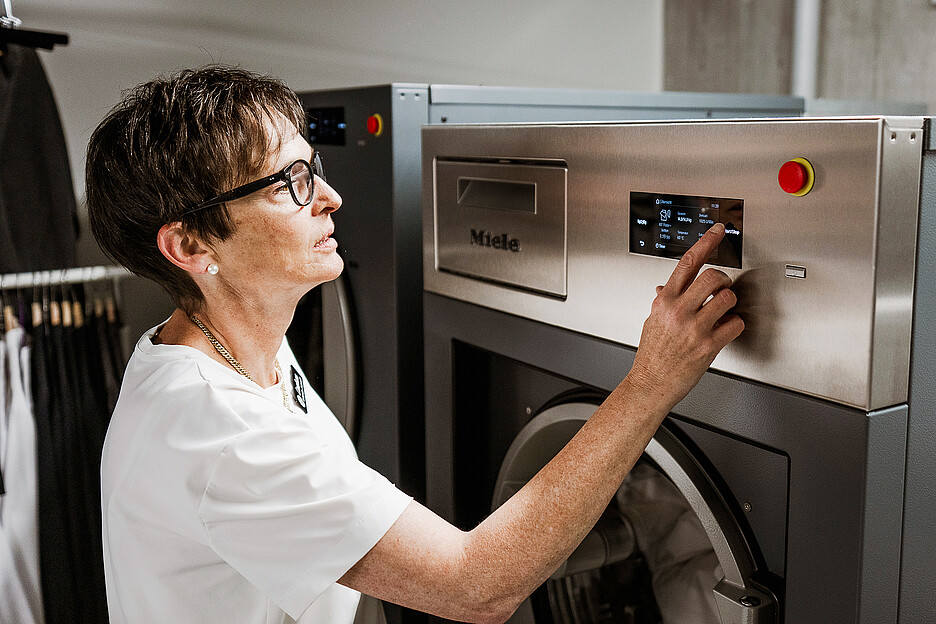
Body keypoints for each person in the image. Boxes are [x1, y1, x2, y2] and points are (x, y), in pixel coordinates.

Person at [85, 65, 744, 624]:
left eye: (314, 168)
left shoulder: (235, 347)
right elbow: (478, 586)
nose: (333, 198)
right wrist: (652, 382)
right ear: (192, 245)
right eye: (290, 184)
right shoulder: (219, 432)